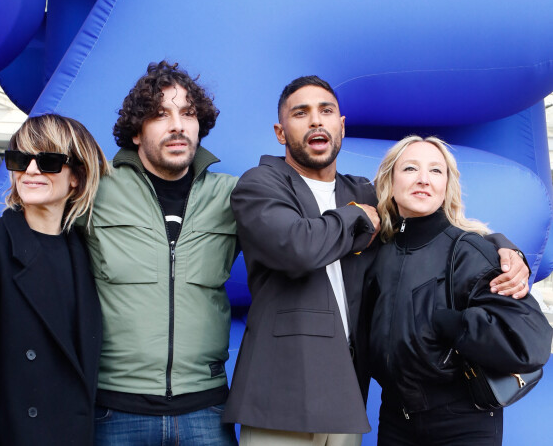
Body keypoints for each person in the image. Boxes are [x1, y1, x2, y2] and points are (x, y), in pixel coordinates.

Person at [223, 76, 530, 446]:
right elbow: (297, 248)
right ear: (280, 131)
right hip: (281, 396)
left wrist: (504, 247)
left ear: (342, 125)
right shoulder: (260, 184)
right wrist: (356, 217)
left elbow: (430, 218)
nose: (316, 121)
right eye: (301, 113)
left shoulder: (362, 192)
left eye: (326, 111)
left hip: (345, 396)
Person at [85, 61, 238, 445]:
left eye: (188, 113)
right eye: (159, 114)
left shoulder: (235, 195)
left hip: (206, 408)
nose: (178, 126)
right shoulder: (94, 190)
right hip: (115, 410)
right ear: (136, 132)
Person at [365, 135, 553, 446]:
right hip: (395, 419)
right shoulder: (380, 251)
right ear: (390, 181)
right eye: (410, 168)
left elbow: (530, 342)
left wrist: (449, 323)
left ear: (447, 185)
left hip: (461, 422)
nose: (424, 179)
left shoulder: (468, 250)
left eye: (436, 171)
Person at [0, 114, 109, 446]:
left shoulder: (88, 251)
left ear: (76, 176)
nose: (31, 171)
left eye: (47, 161)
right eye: (19, 159)